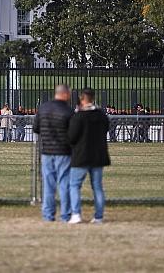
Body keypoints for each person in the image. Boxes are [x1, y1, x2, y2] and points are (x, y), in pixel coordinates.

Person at [67, 88, 111, 224]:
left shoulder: (78, 116)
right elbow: (106, 129)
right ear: (93, 98)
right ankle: (99, 216)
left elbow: (71, 137)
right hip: (98, 155)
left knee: (74, 185)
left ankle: (76, 214)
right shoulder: (102, 115)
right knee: (97, 186)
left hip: (81, 155)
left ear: (82, 99)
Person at [32, 84, 73, 223]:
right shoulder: (68, 111)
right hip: (63, 151)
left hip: (47, 151)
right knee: (64, 184)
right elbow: (73, 133)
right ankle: (65, 215)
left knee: (48, 185)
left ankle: (48, 215)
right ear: (65, 94)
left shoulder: (43, 108)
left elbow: (36, 128)